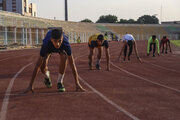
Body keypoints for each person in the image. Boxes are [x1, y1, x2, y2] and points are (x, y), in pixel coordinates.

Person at [25, 28, 85, 93]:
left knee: (64, 57)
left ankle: (60, 82)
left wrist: (77, 83)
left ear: (62, 38)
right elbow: (37, 66)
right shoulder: (46, 44)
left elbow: (72, 64)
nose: (57, 44)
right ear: (51, 39)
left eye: (60, 41)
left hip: (61, 49)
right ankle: (47, 76)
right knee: (43, 63)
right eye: (55, 41)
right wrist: (30, 85)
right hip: (49, 47)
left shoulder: (65, 43)